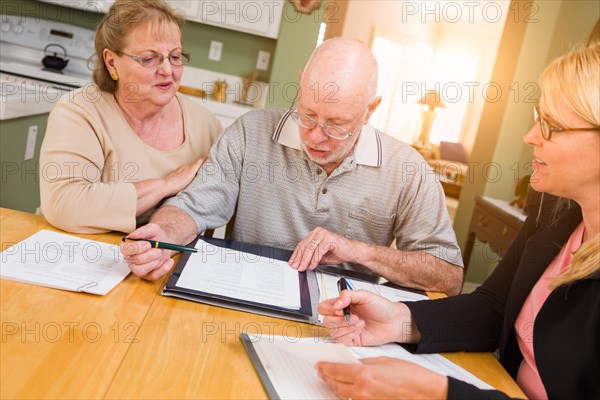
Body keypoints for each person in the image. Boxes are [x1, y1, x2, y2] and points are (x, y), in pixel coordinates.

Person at [315, 44, 600, 399]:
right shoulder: (553, 207)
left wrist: (437, 393)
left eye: (551, 126)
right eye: (537, 116)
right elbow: (493, 310)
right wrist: (400, 319)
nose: (530, 136)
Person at [121, 38, 464, 295]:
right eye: (308, 114)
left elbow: (448, 275)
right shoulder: (250, 131)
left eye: (336, 124)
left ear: (370, 110)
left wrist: (358, 250)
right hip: (245, 295)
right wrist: (162, 234)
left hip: (344, 321)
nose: (315, 136)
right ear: (301, 83)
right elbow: (193, 208)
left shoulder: (409, 170)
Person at [39, 0, 221, 234]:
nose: (167, 70)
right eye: (149, 58)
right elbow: (66, 205)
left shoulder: (206, 126)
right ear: (112, 62)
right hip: (75, 250)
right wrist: (165, 185)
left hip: (161, 259)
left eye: (175, 56)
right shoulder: (79, 112)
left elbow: (213, 208)